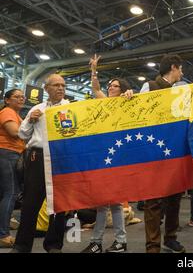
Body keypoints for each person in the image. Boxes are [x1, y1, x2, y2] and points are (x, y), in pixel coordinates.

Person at [80, 54, 133, 253]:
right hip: (103, 155)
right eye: (110, 85)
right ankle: (99, 242)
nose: (110, 87)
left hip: (118, 155)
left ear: (123, 89)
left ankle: (118, 241)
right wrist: (94, 70)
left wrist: (131, 95)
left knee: (115, 202)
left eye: (115, 86)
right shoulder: (104, 102)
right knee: (102, 201)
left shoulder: (127, 102)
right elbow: (95, 88)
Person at [11, 74, 68, 253]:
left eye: (63, 85)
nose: (60, 88)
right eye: (56, 85)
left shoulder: (71, 108)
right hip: (37, 158)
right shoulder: (37, 108)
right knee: (30, 203)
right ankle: (21, 246)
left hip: (61, 158)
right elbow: (22, 135)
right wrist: (30, 120)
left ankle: (53, 245)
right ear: (46, 89)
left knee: (59, 205)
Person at [140, 54, 186, 253]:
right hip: (153, 151)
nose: (182, 73)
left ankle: (171, 237)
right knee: (153, 200)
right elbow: (138, 114)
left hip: (174, 151)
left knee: (175, 197)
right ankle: (152, 245)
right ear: (174, 68)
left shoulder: (181, 91)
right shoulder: (149, 87)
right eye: (181, 68)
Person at [0, 89, 26, 248]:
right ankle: (3, 235)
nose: (21, 98)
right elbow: (14, 132)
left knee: (5, 193)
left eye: (22, 96)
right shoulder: (8, 111)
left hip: (7, 153)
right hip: (8, 153)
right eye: (17, 96)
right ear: (7, 100)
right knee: (11, 193)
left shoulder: (15, 114)